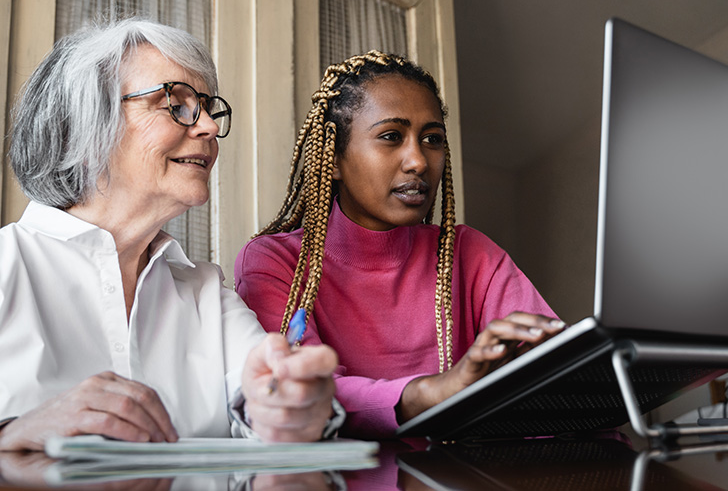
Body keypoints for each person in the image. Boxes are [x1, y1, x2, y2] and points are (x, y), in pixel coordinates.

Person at [0, 17, 340, 455]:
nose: (209, 128)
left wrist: (292, 408)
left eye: (207, 107)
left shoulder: (208, 296)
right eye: (177, 105)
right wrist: (2, 444)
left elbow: (277, 423)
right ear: (85, 129)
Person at [234, 51, 565, 438]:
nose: (418, 161)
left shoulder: (468, 252)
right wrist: (436, 390)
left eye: (432, 139)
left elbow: (556, 379)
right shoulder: (277, 262)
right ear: (334, 157)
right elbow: (301, 391)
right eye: (392, 137)